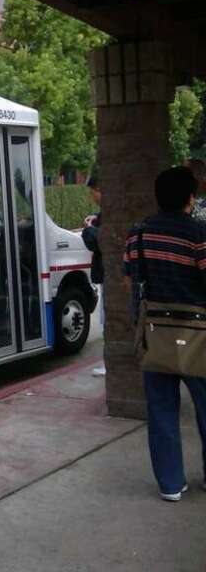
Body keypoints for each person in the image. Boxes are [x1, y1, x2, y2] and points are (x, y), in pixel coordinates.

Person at [123, 166, 206, 502]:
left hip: (155, 333)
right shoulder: (199, 234)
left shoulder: (139, 233)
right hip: (199, 334)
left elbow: (130, 281)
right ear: (190, 198)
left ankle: (170, 484)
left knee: (161, 411)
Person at [82, 175, 106, 376]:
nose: (92, 197)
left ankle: (109, 363)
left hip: (108, 274)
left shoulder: (109, 215)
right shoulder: (106, 213)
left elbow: (98, 241)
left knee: (107, 320)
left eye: (92, 193)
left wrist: (89, 230)